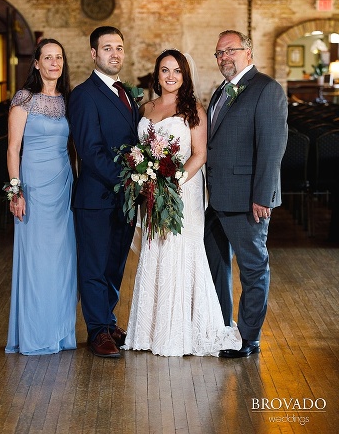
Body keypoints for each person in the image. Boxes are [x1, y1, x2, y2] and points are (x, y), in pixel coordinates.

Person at [122, 49, 241, 356]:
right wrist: (146, 177)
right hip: (152, 191)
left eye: (177, 70)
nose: (171, 76)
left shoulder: (193, 109)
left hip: (182, 190)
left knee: (180, 251)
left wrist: (173, 181)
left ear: (185, 76)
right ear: (157, 74)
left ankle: (183, 331)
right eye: (165, 70)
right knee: (156, 251)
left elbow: (200, 154)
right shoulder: (146, 107)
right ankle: (152, 331)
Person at [204, 30, 288, 358]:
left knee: (253, 269)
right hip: (217, 198)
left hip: (248, 200)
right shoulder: (221, 91)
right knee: (216, 265)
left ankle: (248, 338)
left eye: (230, 50)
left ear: (248, 52)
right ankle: (221, 326)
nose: (224, 57)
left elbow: (272, 147)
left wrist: (263, 196)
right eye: (219, 53)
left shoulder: (267, 89)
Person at [68, 26, 139, 358]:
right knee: (94, 267)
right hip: (96, 197)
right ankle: (97, 331)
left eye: (119, 48)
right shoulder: (84, 94)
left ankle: (108, 322)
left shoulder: (127, 93)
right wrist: (127, 181)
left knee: (115, 265)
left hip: (125, 199)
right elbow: (90, 151)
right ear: (94, 54)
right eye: (107, 48)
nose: (115, 54)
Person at [5, 39, 77, 355]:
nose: (54, 62)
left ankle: (60, 333)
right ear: (36, 63)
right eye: (47, 57)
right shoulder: (24, 98)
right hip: (33, 187)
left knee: (62, 260)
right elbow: (13, 148)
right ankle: (35, 334)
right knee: (36, 259)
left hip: (63, 185)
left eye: (58, 57)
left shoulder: (69, 100)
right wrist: (16, 191)